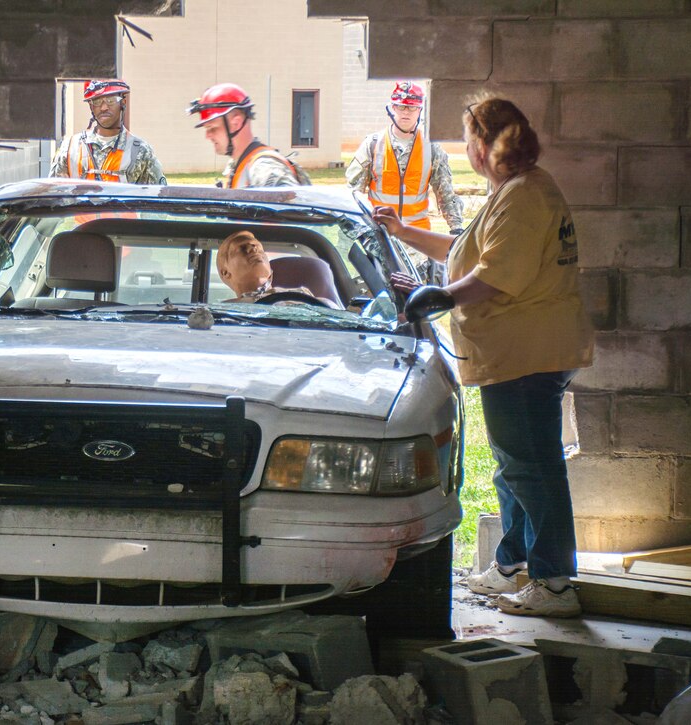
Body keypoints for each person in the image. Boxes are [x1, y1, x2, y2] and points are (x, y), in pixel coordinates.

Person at [373, 96, 594, 618]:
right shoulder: (518, 191)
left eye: (472, 137)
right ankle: (514, 563)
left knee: (533, 467)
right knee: (515, 466)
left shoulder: (524, 197)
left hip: (526, 355)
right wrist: (405, 232)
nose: (467, 147)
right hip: (522, 352)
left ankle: (555, 582)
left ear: (489, 145)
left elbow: (496, 276)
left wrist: (443, 297)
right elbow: (466, 249)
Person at [348, 82, 464, 285]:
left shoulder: (432, 148)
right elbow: (353, 193)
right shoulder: (373, 144)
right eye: (401, 106)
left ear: (420, 110)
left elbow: (445, 192)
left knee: (414, 294)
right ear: (392, 108)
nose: (406, 113)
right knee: (379, 292)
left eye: (412, 107)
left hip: (417, 240)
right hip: (379, 235)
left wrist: (456, 228)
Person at [187, 83, 311, 188]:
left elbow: (290, 212)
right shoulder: (239, 165)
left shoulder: (264, 168)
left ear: (236, 123)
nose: (208, 136)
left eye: (212, 128)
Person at [49, 79, 166, 185]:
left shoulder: (141, 151)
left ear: (123, 102)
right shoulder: (70, 148)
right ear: (91, 106)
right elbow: (53, 196)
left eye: (110, 100)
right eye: (97, 101)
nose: (104, 107)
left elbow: (158, 199)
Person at [214, 230, 339, 308]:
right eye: (242, 248)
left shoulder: (312, 300)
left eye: (257, 246)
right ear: (225, 273)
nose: (253, 249)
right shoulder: (223, 312)